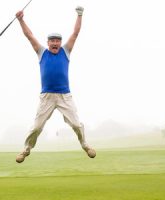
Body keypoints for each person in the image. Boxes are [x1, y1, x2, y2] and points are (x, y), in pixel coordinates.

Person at [15, 6, 96, 163]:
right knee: (37, 127)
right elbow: (29, 36)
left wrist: (80, 15)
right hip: (47, 97)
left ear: (60, 43)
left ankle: (85, 145)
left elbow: (75, 33)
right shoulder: (41, 52)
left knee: (77, 125)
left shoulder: (65, 51)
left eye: (57, 40)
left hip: (64, 96)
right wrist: (21, 19)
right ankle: (26, 150)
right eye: (52, 40)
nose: (55, 43)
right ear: (48, 42)